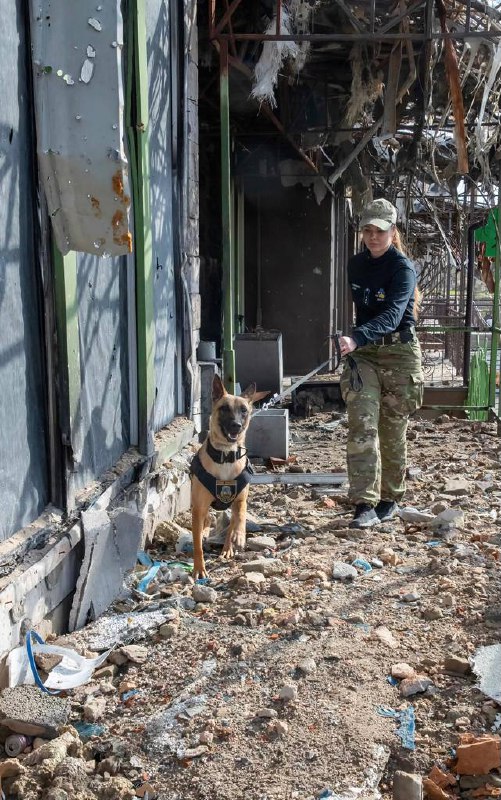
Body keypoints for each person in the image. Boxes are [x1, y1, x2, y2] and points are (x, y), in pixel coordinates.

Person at [338, 198, 424, 529]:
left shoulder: (403, 268)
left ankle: (390, 498)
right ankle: (363, 504)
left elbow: (392, 314)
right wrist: (356, 342)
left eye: (380, 231)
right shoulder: (356, 264)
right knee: (362, 423)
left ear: (392, 232)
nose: (373, 237)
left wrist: (357, 336)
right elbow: (366, 309)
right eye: (368, 230)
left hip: (399, 353)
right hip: (365, 355)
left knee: (392, 428)